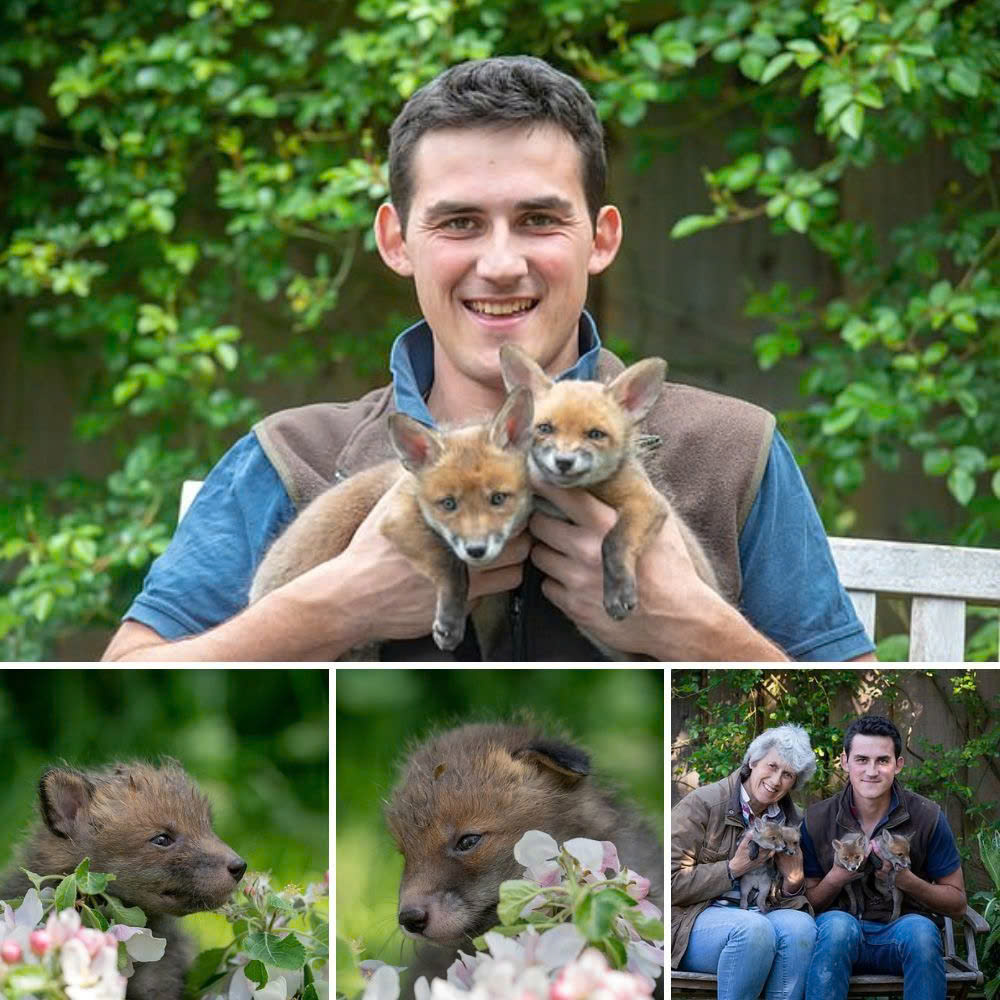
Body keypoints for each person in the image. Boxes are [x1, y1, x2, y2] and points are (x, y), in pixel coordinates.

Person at [102, 55, 877, 661]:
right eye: (460, 223)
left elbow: (852, 704)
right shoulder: (292, 456)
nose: (501, 263)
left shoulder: (731, 452)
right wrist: (334, 606)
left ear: (600, 238)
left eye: (539, 218)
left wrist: (693, 627)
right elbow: (128, 673)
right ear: (396, 242)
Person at [802, 715, 966, 1000]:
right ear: (845, 761)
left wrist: (908, 882)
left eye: (882, 760)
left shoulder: (926, 816)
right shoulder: (817, 819)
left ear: (898, 765)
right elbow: (805, 904)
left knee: (922, 934)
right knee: (836, 929)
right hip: (841, 933)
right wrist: (836, 878)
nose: (872, 771)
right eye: (862, 759)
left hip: (903, 930)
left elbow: (958, 904)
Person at [672, 724, 818, 1000]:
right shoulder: (703, 805)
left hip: (760, 914)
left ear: (794, 782)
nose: (776, 780)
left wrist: (793, 881)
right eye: (772, 766)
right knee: (753, 930)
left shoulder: (794, 822)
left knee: (802, 928)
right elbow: (669, 884)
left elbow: (789, 900)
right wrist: (732, 868)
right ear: (753, 761)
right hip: (694, 923)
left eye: (787, 774)